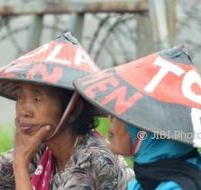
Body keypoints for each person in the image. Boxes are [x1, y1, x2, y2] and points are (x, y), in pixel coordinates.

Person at [0, 32, 133, 189]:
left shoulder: (94, 159)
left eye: (37, 98)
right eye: (20, 97)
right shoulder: (42, 149)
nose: (24, 110)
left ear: (72, 109)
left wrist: (20, 163)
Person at [73, 45, 201, 190]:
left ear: (145, 124)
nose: (109, 120)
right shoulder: (143, 181)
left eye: (117, 114)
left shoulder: (182, 186)